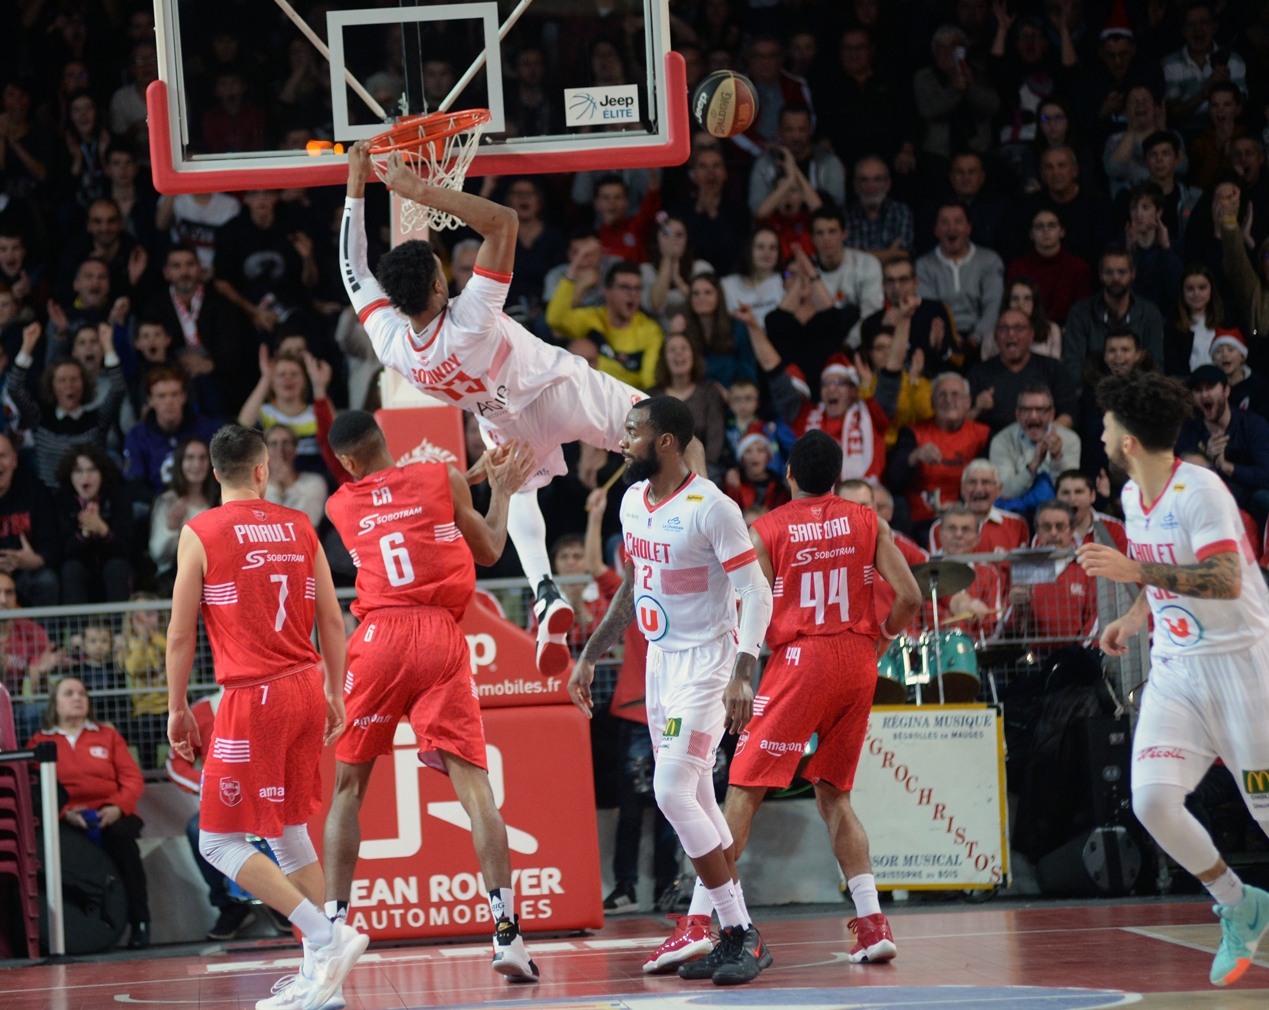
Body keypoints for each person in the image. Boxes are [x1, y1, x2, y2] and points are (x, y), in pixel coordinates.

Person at [339, 141, 703, 678]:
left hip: (503, 421)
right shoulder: (471, 316)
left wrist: (353, 185)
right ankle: (691, 534)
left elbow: (352, 267)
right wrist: (415, 189)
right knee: (664, 424)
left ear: (397, 304)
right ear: (441, 284)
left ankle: (544, 591)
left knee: (520, 489)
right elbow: (504, 222)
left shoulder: (393, 345)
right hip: (555, 387)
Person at [322, 411, 542, 981]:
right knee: (476, 790)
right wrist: (501, 488)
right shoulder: (439, 476)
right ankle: (508, 933)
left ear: (347, 461)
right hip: (440, 635)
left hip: (377, 639)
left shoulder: (339, 506)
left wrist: (473, 476)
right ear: (384, 438)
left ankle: (329, 932)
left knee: (348, 789)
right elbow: (490, 546)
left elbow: (399, 503)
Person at [568, 397, 774, 985]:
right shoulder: (633, 502)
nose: (622, 440)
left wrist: (743, 670)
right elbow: (632, 588)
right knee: (698, 797)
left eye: (632, 432)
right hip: (660, 665)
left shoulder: (713, 507)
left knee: (672, 790)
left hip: (708, 665)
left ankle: (737, 930)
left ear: (665, 442)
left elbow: (756, 592)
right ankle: (720, 928)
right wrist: (589, 654)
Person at [1077, 370, 1269, 988]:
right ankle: (1242, 904)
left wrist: (1133, 569)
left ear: (1128, 439)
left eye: (1107, 425)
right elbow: (1162, 574)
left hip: (1242, 668)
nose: (1101, 433)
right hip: (1176, 670)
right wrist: (1135, 617)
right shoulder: (1135, 496)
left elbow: (1225, 579)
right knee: (1153, 800)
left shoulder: (1200, 490)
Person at [166, 425, 366, 1010]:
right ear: (263, 471)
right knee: (288, 831)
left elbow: (180, 633)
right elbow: (334, 621)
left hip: (254, 695)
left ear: (213, 472)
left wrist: (179, 707)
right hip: (306, 685)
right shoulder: (299, 526)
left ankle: (329, 935)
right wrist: (336, 691)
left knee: (219, 841)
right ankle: (318, 982)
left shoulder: (199, 532)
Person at [716, 430, 923, 963]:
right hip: (856, 659)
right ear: (835, 477)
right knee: (836, 797)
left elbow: (752, 613)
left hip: (800, 660)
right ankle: (874, 924)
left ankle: (704, 918)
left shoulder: (764, 530)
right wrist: (879, 640)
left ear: (788, 473)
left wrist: (741, 672)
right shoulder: (867, 519)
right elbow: (910, 597)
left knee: (744, 789)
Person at [29, 676, 149, 947]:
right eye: (69, 693)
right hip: (66, 819)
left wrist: (117, 807)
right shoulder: (39, 742)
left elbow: (133, 779)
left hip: (111, 815)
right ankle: (71, 932)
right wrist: (64, 813)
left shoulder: (107, 735)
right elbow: (36, 790)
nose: (77, 698)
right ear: (54, 703)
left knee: (125, 848)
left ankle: (141, 923)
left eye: (82, 693)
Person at [8, 321, 124, 488]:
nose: (69, 386)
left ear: (84, 384)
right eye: (62, 380)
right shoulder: (39, 418)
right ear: (52, 386)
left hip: (88, 501)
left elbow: (118, 388)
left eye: (74, 380)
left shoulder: (98, 420)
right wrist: (26, 347)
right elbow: (14, 388)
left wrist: (108, 347)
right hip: (50, 502)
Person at [886, 372, 990, 528]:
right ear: (932, 402)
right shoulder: (913, 433)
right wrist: (914, 456)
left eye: (955, 395)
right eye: (942, 395)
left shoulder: (983, 434)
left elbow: (991, 483)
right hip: (921, 521)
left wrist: (961, 506)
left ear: (968, 402)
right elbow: (893, 480)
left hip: (967, 516)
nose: (948, 400)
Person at [547, 257, 664, 392]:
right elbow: (555, 320)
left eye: (637, 288)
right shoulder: (592, 318)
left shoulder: (650, 331)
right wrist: (571, 276)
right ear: (607, 292)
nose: (632, 294)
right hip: (590, 395)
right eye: (625, 287)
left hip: (628, 403)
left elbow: (649, 381)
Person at [1176, 365, 1269, 527]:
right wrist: (1207, 460)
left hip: (1246, 497)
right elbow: (1180, 477)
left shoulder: (1253, 425)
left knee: (1263, 498)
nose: (1204, 395)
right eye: (1198, 390)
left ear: (1226, 391)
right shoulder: (1187, 429)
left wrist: (1226, 467)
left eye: (1210, 388)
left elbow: (1265, 475)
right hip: (1206, 498)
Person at [916, 202, 1004, 356]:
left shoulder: (990, 260)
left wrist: (976, 338)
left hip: (983, 339)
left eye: (958, 222)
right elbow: (931, 309)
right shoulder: (923, 265)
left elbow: (993, 305)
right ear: (935, 230)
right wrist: (953, 340)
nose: (951, 228)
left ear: (969, 228)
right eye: (944, 223)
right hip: (943, 338)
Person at [968, 308, 1077, 433]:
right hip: (993, 447)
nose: (1011, 334)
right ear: (996, 336)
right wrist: (976, 410)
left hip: (1043, 443)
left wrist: (1046, 439)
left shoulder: (1052, 368)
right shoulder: (978, 373)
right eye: (1004, 329)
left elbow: (1069, 413)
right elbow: (957, 424)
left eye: (1018, 328)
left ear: (1031, 335)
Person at [1009, 500, 1097, 642]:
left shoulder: (1087, 567)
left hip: (1076, 658)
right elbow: (1011, 626)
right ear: (1037, 530)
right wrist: (1015, 607)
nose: (1053, 533)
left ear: (1072, 530)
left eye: (1060, 527)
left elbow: (1094, 619)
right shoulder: (1025, 565)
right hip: (1034, 657)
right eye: (1046, 527)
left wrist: (1079, 654)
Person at [54, 444, 131, 604]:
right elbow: (60, 551)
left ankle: (119, 629)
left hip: (112, 570)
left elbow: (128, 549)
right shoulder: (61, 502)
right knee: (71, 569)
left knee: (117, 567)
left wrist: (103, 530)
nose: (85, 477)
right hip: (80, 572)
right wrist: (85, 535)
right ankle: (76, 629)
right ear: (70, 476)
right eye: (78, 471)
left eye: (92, 470)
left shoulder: (119, 497)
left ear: (102, 473)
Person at [1161, 2, 1247, 143]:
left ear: (1214, 27)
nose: (1198, 29)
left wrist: (1225, 88)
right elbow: (1173, 116)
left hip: (1227, 131)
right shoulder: (1170, 64)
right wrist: (1204, 93)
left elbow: (1241, 107)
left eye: (1204, 23)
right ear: (1183, 31)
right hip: (1184, 135)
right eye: (1191, 25)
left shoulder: (1233, 61)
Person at [650, 329, 726, 479]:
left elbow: (715, 442)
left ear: (693, 355)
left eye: (684, 348)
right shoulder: (651, 397)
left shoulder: (709, 393)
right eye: (672, 350)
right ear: (664, 358)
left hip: (703, 471)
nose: (679, 354)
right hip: (660, 472)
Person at [859, 255, 958, 368]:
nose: (896, 287)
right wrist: (885, 329)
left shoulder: (935, 311)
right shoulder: (872, 323)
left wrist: (940, 348)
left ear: (915, 283)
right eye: (890, 281)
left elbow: (959, 360)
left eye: (903, 280)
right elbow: (867, 366)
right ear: (883, 285)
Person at [747, 105, 846, 217]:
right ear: (779, 131)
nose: (796, 136)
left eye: (802, 130)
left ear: (810, 130)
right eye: (789, 130)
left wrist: (793, 169)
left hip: (819, 232)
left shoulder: (828, 161)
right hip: (774, 230)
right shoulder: (765, 163)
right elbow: (756, 210)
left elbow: (836, 207)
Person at [989, 384, 1081, 502]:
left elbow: (1070, 494)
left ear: (1052, 414)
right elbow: (1004, 492)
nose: (1033, 417)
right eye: (1027, 410)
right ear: (1018, 414)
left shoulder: (1070, 439)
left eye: (1040, 410)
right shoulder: (1002, 441)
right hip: (1016, 511)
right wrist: (1034, 465)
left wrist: (1057, 458)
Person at [149, 437, 218, 594]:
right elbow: (158, 554)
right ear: (180, 462)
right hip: (177, 580)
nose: (196, 464)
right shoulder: (167, 501)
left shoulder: (220, 501)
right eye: (190, 458)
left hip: (216, 577)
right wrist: (172, 528)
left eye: (202, 458)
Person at [0, 430, 59, 606]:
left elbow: (53, 543)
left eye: (3, 456)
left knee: (47, 581)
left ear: (15, 460)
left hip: (24, 574)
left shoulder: (35, 491)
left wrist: (36, 560)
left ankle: (42, 634)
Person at [810, 207, 883, 346]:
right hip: (818, 344)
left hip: (858, 344)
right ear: (812, 238)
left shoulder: (867, 264)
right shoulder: (804, 269)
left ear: (844, 234)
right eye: (819, 233)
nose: (826, 238)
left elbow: (871, 313)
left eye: (832, 231)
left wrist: (848, 345)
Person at [1006, 208, 1092, 326]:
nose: (1046, 230)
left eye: (1051, 226)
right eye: (1039, 226)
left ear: (1062, 231)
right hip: (1026, 329)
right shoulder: (1018, 268)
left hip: (1067, 331)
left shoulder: (1079, 268)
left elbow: (1082, 311)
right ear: (1031, 234)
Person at [238, 348, 322, 466]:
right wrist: (266, 377)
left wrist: (319, 385)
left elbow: (337, 439)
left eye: (294, 374)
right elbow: (243, 426)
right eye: (281, 374)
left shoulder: (318, 413)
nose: (288, 378)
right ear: (272, 383)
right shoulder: (264, 412)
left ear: (304, 380)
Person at [929, 459, 1029, 553]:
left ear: (999, 489)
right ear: (962, 489)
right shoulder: (941, 527)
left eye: (986, 482)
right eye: (972, 482)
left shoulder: (1017, 525)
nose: (979, 489)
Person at [682, 273, 756, 389]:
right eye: (695, 293)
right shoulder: (684, 331)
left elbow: (747, 370)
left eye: (708, 292)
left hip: (734, 397)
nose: (701, 298)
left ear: (718, 296)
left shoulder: (737, 328)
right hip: (698, 397)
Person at [1124, 183, 1184, 311]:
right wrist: (1129, 251)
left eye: (1145, 208)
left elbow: (1177, 290)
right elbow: (1120, 290)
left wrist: (1166, 249)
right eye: (1134, 208)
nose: (1138, 214)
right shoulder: (1118, 248)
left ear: (1159, 212)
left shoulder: (1174, 247)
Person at [844, 157, 914, 266]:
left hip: (892, 280)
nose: (871, 187)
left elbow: (903, 255)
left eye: (877, 180)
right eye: (864, 180)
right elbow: (844, 257)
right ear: (855, 186)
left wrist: (857, 254)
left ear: (888, 184)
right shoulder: (844, 215)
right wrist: (890, 253)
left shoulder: (901, 212)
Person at [1165, 266, 1224, 378]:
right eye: (1190, 289)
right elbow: (1173, 369)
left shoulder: (1225, 322)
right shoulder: (1173, 328)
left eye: (1202, 288)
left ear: (1211, 289)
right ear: (1182, 292)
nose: (1196, 294)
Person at [264, 426, 327, 529]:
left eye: (286, 443)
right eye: (273, 444)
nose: (280, 450)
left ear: (295, 448)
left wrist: (290, 483)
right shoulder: (255, 486)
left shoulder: (314, 482)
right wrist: (275, 486)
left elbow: (310, 522)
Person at [720, 228, 785, 329]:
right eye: (760, 247)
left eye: (773, 248)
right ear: (749, 250)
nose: (767, 252)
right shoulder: (727, 284)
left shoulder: (785, 280)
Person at [1056, 469, 1127, 553]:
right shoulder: (1046, 532)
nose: (1072, 499)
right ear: (1056, 497)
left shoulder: (1114, 528)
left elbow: (1125, 564)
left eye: (1079, 492)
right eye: (1065, 493)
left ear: (1092, 496)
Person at [725, 428, 789, 513]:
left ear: (768, 457)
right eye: (748, 451)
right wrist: (733, 488)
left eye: (760, 451)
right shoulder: (732, 483)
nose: (754, 456)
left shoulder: (779, 487)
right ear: (742, 459)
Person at [1209, 329, 1269, 419]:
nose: (1225, 355)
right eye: (1219, 351)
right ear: (1213, 359)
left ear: (1242, 356)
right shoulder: (1209, 388)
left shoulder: (1260, 387)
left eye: (1231, 350)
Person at [1004, 277, 1062, 360]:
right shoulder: (995, 334)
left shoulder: (1051, 330)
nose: (1020, 305)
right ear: (1007, 303)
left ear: (1035, 303)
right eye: (1015, 299)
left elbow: (1055, 369)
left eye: (1027, 298)